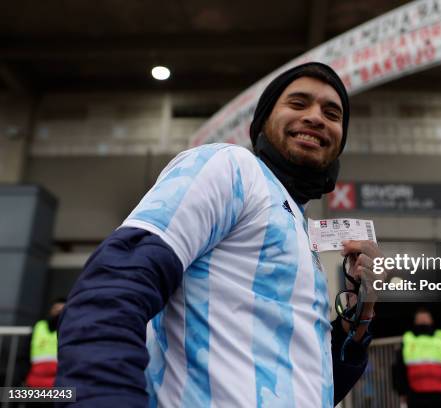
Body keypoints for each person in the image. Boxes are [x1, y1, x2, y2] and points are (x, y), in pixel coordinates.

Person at [55, 62, 384, 407]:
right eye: (298, 104)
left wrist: (361, 314)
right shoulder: (231, 167)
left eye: (332, 113)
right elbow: (112, 287)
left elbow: (309, 385)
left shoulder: (303, 232)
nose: (316, 117)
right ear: (262, 123)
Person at [391, 308, 441, 408]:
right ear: (415, 321)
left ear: (431, 320)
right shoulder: (408, 339)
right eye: (420, 317)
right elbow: (399, 367)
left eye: (425, 317)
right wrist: (401, 391)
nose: (423, 319)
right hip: (415, 394)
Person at [24, 298, 65, 388]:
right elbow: (25, 352)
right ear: (51, 310)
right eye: (56, 309)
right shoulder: (39, 326)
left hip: (58, 380)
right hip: (34, 378)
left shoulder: (69, 329)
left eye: (61, 310)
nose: (58, 313)